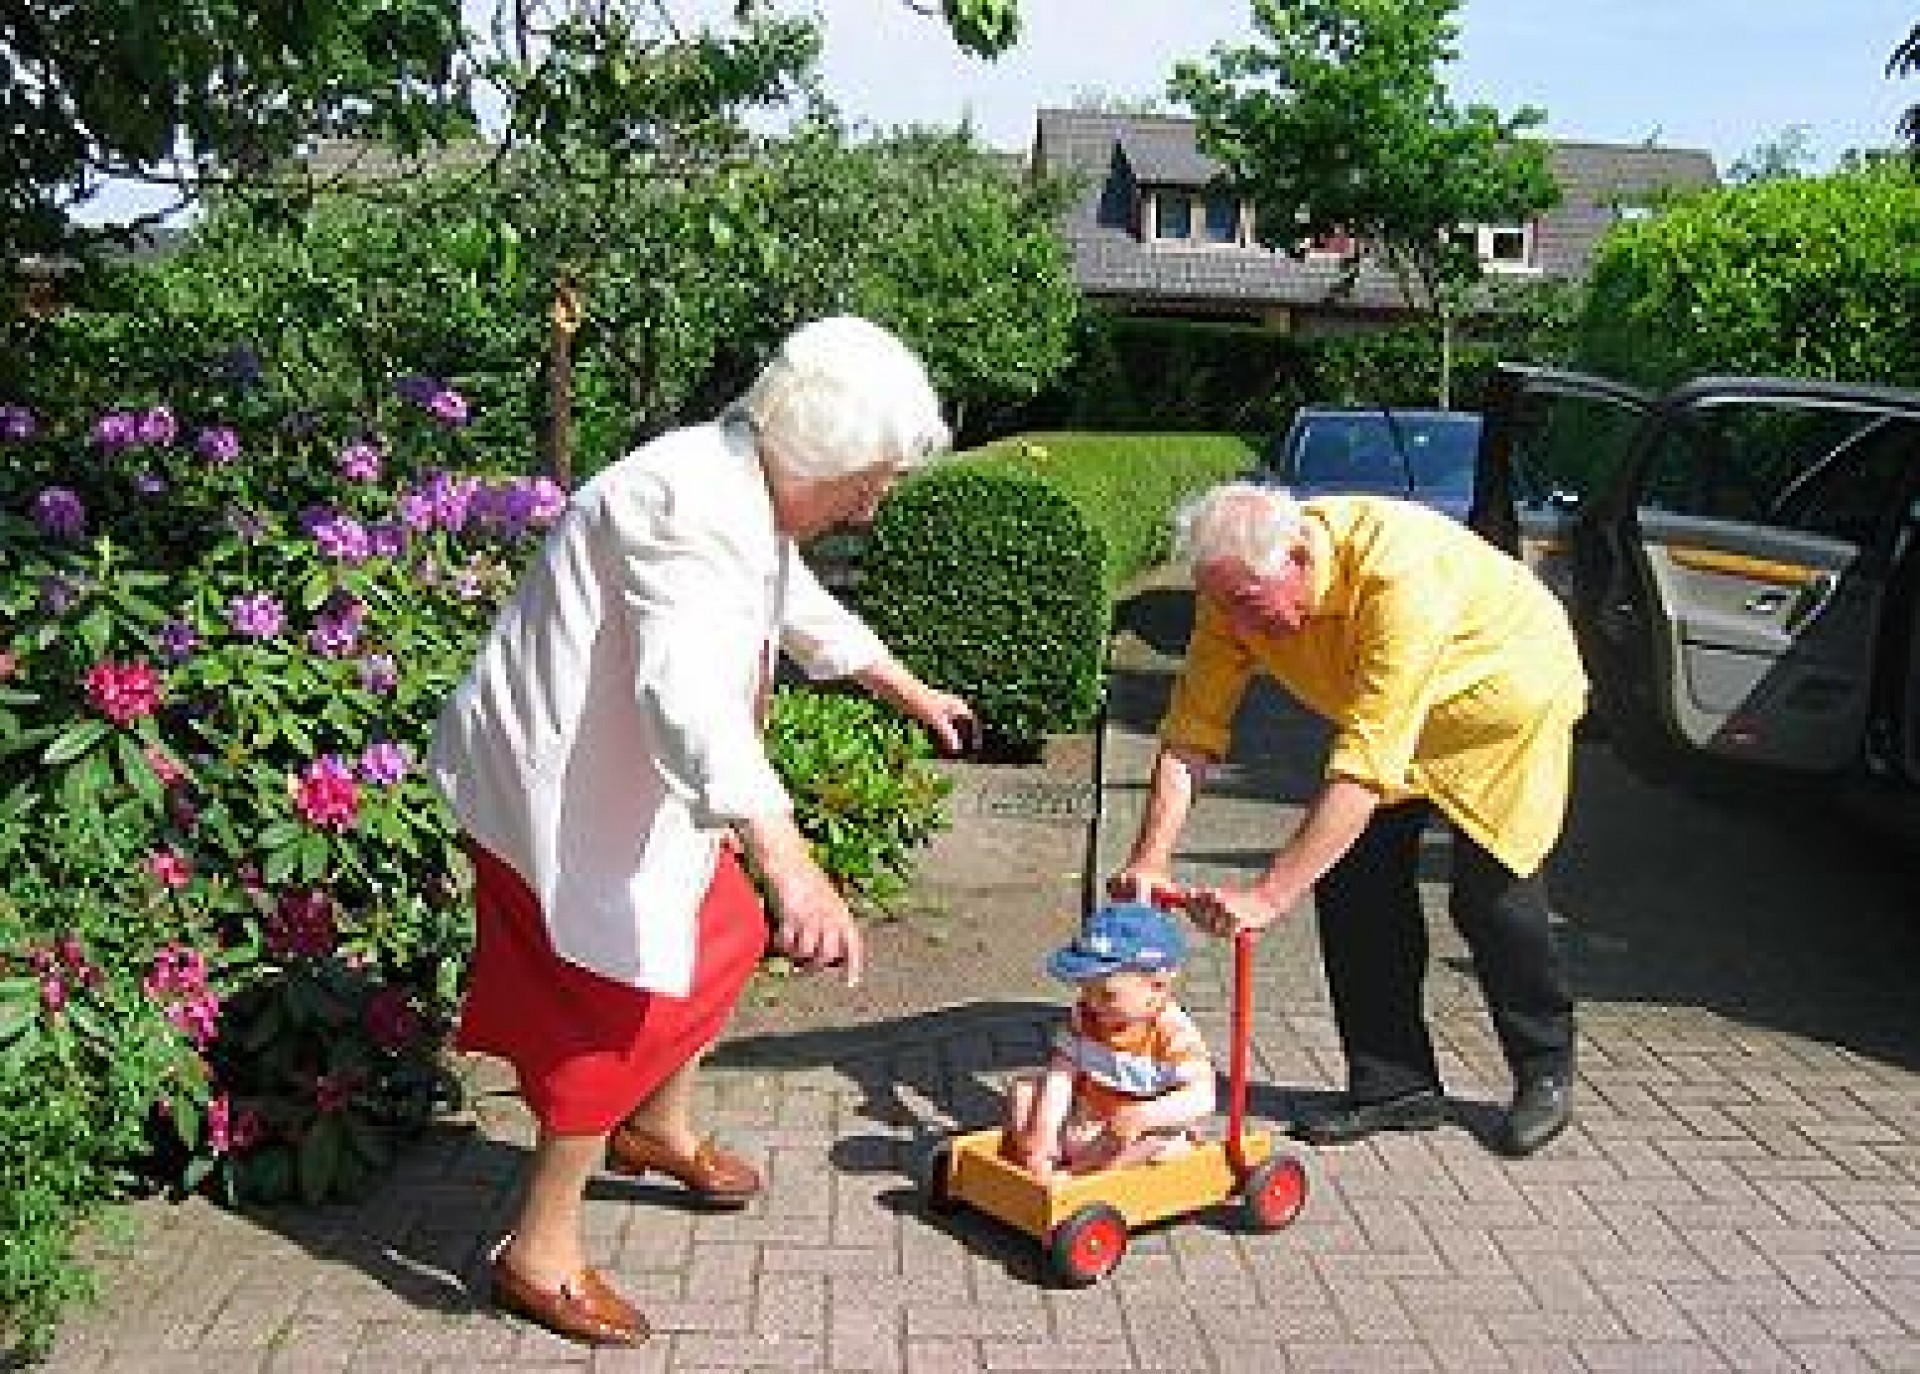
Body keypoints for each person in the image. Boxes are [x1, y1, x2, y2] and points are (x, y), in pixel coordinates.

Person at [429, 316, 976, 1347]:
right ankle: (537, 1253)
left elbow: (786, 595)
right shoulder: (685, 501)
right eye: (878, 473)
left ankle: (655, 1127)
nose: (882, 495)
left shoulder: (746, 479)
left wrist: (899, 682)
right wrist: (792, 864)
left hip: (626, 787)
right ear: (825, 456)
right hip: (551, 794)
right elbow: (689, 702)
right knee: (621, 1001)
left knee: (715, 939)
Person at [1110, 481, 1586, 1160]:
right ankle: (1395, 1087)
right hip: (1394, 721)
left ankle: (1544, 1069)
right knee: (1353, 879)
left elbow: (1364, 763)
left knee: (1493, 898)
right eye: (1224, 606)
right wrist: (1150, 855)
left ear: (1299, 557)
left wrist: (1269, 894)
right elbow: (1192, 730)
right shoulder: (1231, 589)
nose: (1239, 628)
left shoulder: (1400, 576)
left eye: (1250, 606)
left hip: (1502, 706)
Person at [1004, 901, 1216, 1183]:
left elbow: (1202, 1098)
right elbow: (1061, 1075)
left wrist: (1142, 1115)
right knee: (1025, 1091)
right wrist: (1044, 1130)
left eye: (1106, 995)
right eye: (1086, 989)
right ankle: (1040, 1161)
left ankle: (1073, 1179)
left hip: (1138, 1134)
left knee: (1159, 1145)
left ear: (1157, 986)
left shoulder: (1173, 1033)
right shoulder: (1086, 1015)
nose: (1093, 1002)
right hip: (1088, 1120)